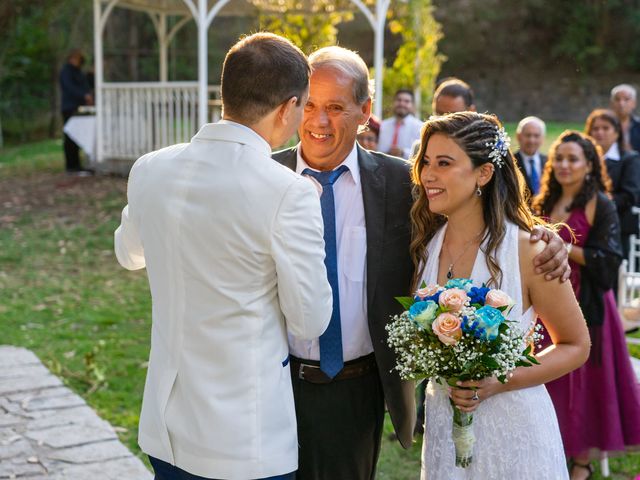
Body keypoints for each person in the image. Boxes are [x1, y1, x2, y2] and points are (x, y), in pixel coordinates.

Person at [273, 46, 571, 480]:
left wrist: (545, 239)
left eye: (336, 107)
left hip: (359, 387)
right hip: (272, 379)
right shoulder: (263, 179)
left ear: (365, 111)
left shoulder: (404, 187)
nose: (319, 121)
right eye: (310, 104)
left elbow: (472, 215)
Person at [114, 33, 333, 480]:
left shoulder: (149, 168)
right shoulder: (288, 193)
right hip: (244, 439)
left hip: (166, 425)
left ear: (226, 93)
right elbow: (310, 320)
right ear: (288, 107)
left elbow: (128, 254)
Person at [413, 112, 590, 479]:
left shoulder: (528, 250)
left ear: (483, 173)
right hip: (445, 425)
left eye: (444, 163)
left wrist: (499, 380)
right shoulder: (424, 246)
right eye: (426, 161)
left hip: (515, 432)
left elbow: (576, 345)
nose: (428, 174)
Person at [532, 130, 640, 480]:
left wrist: (564, 248)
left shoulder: (600, 204)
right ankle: (547, 453)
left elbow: (609, 259)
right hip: (546, 309)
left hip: (588, 309)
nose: (563, 165)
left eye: (573, 159)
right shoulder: (542, 202)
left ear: (589, 165)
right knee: (550, 387)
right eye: (558, 158)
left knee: (586, 391)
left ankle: (581, 463)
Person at [585, 108, 640, 261]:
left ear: (616, 133)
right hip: (585, 227)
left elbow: (629, 195)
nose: (599, 133)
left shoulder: (630, 159)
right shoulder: (581, 160)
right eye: (595, 128)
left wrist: (597, 207)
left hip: (618, 228)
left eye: (605, 128)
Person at [59, 49, 93, 175]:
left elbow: (85, 86)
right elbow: (69, 88)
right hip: (69, 107)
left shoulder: (78, 72)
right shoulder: (66, 71)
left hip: (80, 108)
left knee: (77, 136)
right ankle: (70, 165)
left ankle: (77, 164)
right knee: (69, 137)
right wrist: (83, 96)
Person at [378, 89, 423, 159]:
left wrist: (403, 152)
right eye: (399, 100)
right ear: (393, 102)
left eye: (406, 101)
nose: (402, 104)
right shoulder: (383, 125)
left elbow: (422, 152)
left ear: (412, 105)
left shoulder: (420, 127)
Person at [514, 116, 547, 198]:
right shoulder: (510, 162)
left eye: (536, 136)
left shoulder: (549, 162)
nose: (532, 140)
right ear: (518, 136)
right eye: (528, 135)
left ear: (542, 138)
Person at [610, 84, 640, 152]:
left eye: (626, 99)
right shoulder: (604, 126)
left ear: (634, 103)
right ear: (611, 103)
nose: (621, 103)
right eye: (617, 99)